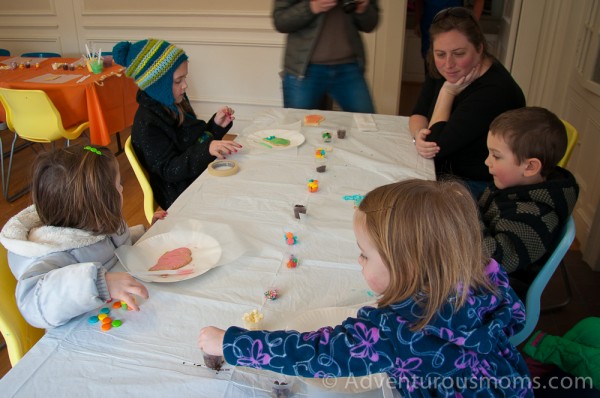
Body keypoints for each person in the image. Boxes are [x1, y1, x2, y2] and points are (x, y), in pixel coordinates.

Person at [198, 179, 532, 396]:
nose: (358, 262)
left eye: (364, 254)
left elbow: (317, 354)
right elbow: (515, 318)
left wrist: (230, 342)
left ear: (408, 268)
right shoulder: (484, 272)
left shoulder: (398, 328)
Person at [0, 145, 163, 329]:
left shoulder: (94, 221)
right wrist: (99, 283)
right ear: (99, 204)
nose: (122, 188)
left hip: (125, 314)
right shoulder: (53, 251)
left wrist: (145, 234)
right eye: (118, 186)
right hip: (85, 335)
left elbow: (112, 249)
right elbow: (33, 304)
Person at [409, 6, 526, 199]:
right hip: (444, 171)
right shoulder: (445, 69)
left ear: (479, 48)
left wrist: (447, 92)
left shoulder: (495, 91)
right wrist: (418, 136)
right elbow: (418, 113)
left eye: (459, 53)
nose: (448, 64)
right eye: (440, 54)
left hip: (478, 184)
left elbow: (435, 148)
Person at [112, 38, 241, 210]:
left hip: (195, 176)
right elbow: (170, 170)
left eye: (185, 78)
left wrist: (216, 126)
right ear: (158, 85)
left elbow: (193, 142)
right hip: (180, 195)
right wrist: (208, 149)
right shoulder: (148, 124)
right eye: (178, 80)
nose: (185, 85)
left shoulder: (175, 102)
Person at [479, 107, 579, 295]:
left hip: (497, 294)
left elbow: (492, 261)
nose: (487, 161)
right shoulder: (509, 185)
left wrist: (467, 217)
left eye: (496, 156)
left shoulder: (535, 217)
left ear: (530, 166)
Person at [272, 0, 378, 113]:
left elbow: (370, 25)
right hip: (304, 70)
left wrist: (362, 9)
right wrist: (311, 7)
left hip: (349, 68)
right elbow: (280, 22)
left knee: (367, 126)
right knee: (299, 126)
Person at [413, 0, 484, 75]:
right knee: (430, 61)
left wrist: (472, 25)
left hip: (456, 26)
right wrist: (417, 21)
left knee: (455, 61)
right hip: (429, 24)